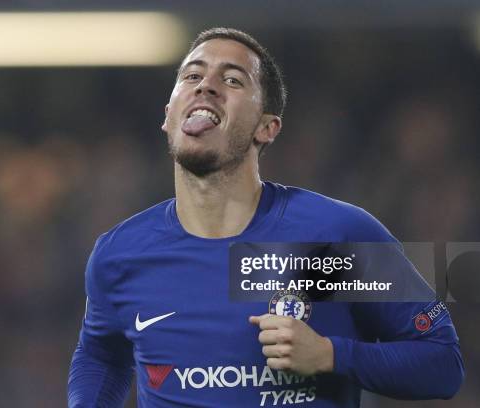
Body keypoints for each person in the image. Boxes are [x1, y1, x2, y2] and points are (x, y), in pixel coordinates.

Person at [68, 27, 464, 407]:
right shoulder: (119, 254)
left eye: (234, 80)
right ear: (169, 115)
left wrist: (331, 355)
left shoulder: (335, 235)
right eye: (192, 75)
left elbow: (443, 363)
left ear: (267, 128)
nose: (206, 85)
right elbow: (101, 355)